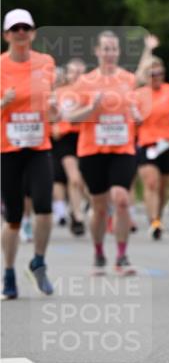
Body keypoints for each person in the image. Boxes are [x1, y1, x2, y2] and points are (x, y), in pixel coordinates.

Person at [66, 30, 139, 275]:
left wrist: (136, 114)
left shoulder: (128, 79)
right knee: (98, 206)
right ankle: (98, 252)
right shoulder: (84, 82)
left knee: (121, 199)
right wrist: (90, 107)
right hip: (92, 149)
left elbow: (134, 110)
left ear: (118, 52)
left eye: (113, 49)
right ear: (97, 52)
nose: (109, 53)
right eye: (105, 49)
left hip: (122, 147)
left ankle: (122, 256)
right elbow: (70, 117)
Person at [1, 9, 57, 298]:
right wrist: (3, 103)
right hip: (8, 149)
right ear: (6, 35)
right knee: (13, 216)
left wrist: (55, 108)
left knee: (44, 208)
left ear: (33, 33)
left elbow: (51, 100)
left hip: (39, 147)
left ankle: (38, 260)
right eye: (15, 29)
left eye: (26, 28)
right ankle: (9, 273)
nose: (21, 33)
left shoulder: (46, 63)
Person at [135, 55, 169, 240]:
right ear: (146, 76)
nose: (157, 77)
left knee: (165, 187)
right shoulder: (139, 94)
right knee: (151, 183)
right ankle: (154, 220)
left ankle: (158, 217)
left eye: (160, 73)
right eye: (152, 74)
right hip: (148, 143)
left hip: (168, 144)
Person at [51, 57, 87, 235]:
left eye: (81, 72)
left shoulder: (90, 92)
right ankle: (78, 215)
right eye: (74, 72)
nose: (77, 76)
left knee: (84, 180)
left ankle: (77, 208)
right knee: (73, 178)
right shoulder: (60, 92)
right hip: (66, 140)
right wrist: (54, 127)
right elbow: (51, 115)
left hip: (87, 138)